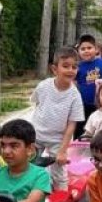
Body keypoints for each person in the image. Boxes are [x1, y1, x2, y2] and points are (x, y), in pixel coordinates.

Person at [31, 47, 84, 191]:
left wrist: (62, 150)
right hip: (37, 135)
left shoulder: (75, 95)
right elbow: (36, 104)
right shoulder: (43, 86)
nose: (70, 70)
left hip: (58, 139)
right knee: (28, 166)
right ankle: (28, 193)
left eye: (74, 67)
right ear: (55, 69)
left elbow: (71, 126)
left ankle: (63, 200)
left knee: (59, 173)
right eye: (65, 66)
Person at [75, 33, 102, 136]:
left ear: (96, 49)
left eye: (89, 48)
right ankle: (79, 150)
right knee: (81, 131)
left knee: (101, 130)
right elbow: (75, 84)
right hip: (83, 105)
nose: (86, 50)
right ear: (78, 51)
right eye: (83, 49)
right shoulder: (78, 66)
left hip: (101, 104)